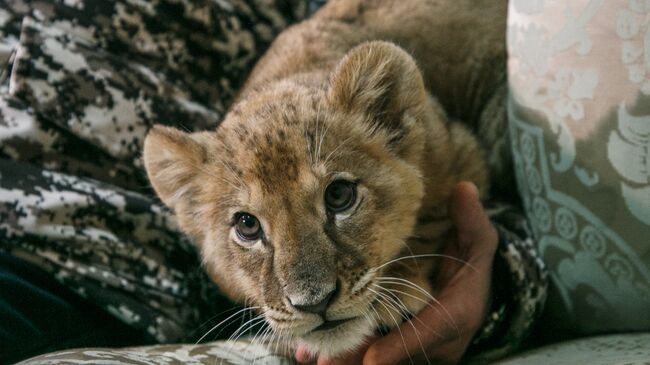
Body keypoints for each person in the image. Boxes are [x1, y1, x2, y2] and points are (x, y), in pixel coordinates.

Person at [0, 1, 546, 364]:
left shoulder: (389, 128)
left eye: (338, 196)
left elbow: (501, 202)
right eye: (247, 224)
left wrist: (493, 285)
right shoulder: (212, 179)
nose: (306, 293)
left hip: (74, 283)